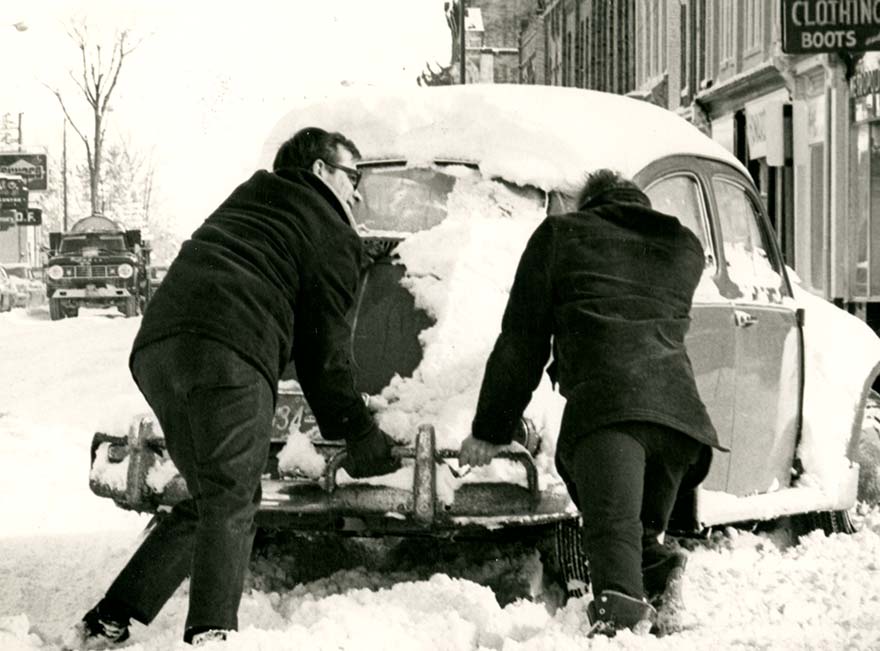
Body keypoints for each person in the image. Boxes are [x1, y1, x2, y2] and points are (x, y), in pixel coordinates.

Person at [69, 127, 402, 648]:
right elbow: (325, 357)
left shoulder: (249, 198)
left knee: (209, 496)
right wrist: (358, 430)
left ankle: (112, 617)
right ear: (320, 171)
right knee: (233, 498)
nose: (357, 193)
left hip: (157, 349)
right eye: (352, 176)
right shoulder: (332, 231)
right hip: (228, 350)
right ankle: (212, 634)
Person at [459, 169, 722, 636]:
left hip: (609, 422)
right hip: (681, 429)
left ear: (586, 205)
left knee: (615, 584)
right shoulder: (681, 246)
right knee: (633, 539)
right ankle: (661, 571)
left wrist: (491, 428)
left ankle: (625, 626)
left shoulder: (561, 236)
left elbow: (521, 344)